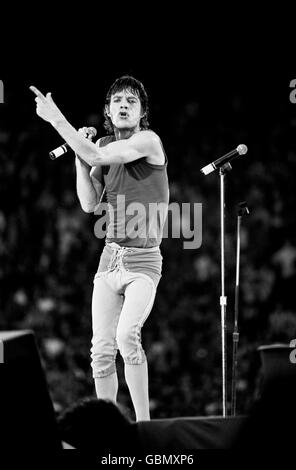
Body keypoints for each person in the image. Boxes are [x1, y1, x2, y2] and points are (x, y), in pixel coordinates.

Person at [30, 75, 169, 421]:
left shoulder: (148, 140)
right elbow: (90, 204)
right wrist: (80, 159)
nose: (124, 105)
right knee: (101, 351)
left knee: (126, 335)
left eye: (132, 101)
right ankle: (107, 426)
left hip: (142, 262)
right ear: (107, 110)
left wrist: (56, 119)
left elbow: (96, 153)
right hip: (109, 260)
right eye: (117, 100)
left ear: (141, 113)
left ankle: (143, 426)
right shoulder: (104, 146)